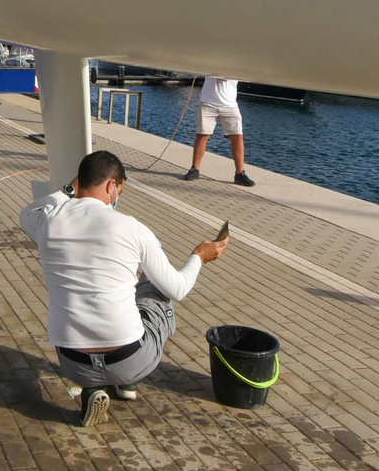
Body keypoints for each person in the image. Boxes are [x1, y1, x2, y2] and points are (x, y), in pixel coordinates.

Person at [19, 151, 228, 426]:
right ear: (111, 186)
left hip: (73, 364)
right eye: (120, 190)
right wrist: (199, 256)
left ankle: (93, 386)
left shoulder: (47, 221)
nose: (118, 198)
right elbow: (178, 289)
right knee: (154, 288)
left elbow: (26, 212)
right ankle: (126, 384)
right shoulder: (132, 227)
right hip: (130, 361)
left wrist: (70, 189)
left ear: (80, 182)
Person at [184, 76, 254, 186]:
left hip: (230, 104)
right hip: (208, 102)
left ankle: (240, 174)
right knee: (202, 134)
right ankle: (195, 169)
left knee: (237, 136)